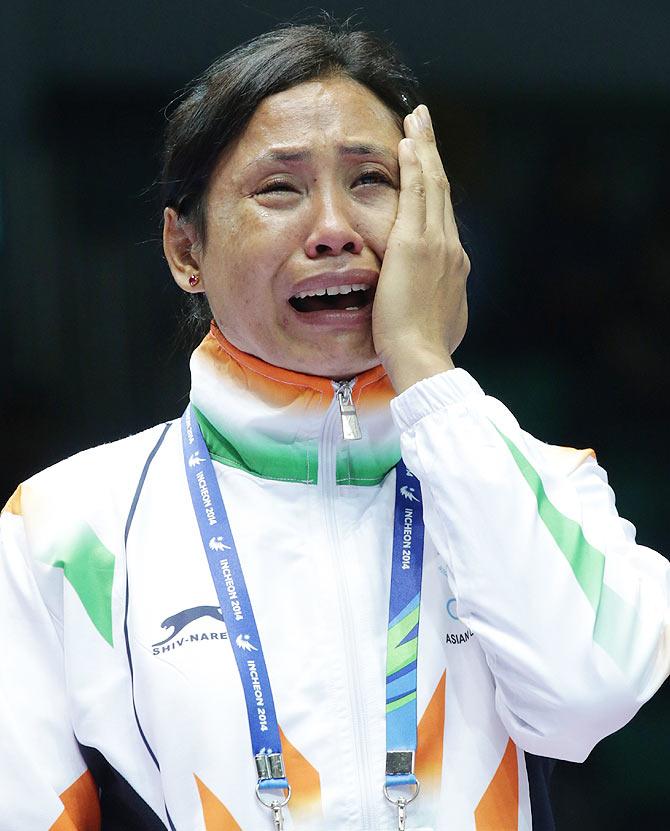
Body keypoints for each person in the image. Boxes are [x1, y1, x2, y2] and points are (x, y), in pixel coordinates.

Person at [1, 19, 668, 831]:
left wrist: (424, 361)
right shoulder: (65, 531)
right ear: (185, 250)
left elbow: (584, 698)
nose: (334, 228)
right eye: (279, 188)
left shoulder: (549, 484)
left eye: (372, 181)